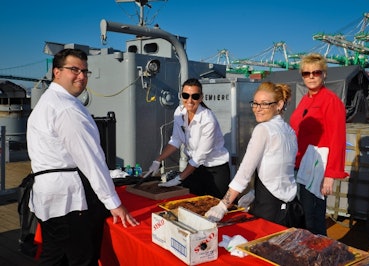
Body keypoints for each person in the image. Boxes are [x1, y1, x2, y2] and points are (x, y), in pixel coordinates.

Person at [27, 48, 139, 266]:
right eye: (74, 70)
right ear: (56, 72)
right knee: (81, 259)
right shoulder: (66, 108)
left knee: (55, 257)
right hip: (68, 200)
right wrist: (114, 203)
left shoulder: (48, 101)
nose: (82, 76)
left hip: (49, 194)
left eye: (85, 71)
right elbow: (91, 159)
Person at [205, 82, 300, 227]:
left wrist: (223, 205)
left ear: (279, 104)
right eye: (255, 103)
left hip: (270, 209)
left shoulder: (263, 129)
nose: (257, 109)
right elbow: (278, 169)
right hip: (291, 206)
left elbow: (244, 172)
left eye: (264, 104)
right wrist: (255, 192)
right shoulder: (290, 131)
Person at [289, 53, 348, 236]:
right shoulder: (305, 100)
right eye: (306, 73)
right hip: (299, 166)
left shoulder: (331, 101)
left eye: (316, 72)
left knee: (313, 219)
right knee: (302, 216)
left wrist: (330, 175)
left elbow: (337, 139)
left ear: (324, 74)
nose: (311, 76)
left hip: (316, 170)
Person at [145, 78, 231, 199]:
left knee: (218, 207)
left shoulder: (208, 120)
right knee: (190, 203)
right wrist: (157, 160)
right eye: (185, 95)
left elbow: (199, 156)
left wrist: (179, 178)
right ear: (181, 96)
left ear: (201, 98)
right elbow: (175, 140)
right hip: (196, 168)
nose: (189, 100)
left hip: (216, 169)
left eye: (195, 96)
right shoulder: (179, 112)